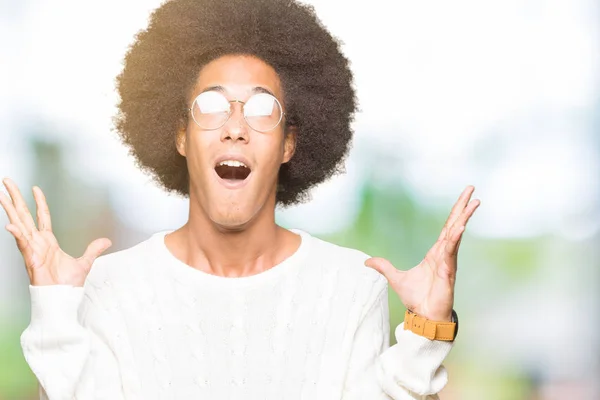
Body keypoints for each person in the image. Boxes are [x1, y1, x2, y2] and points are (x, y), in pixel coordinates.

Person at [0, 0, 480, 398]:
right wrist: (57, 311)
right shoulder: (109, 285)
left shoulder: (354, 287)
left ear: (289, 143)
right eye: (211, 105)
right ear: (182, 136)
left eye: (260, 108)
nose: (234, 127)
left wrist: (426, 331)